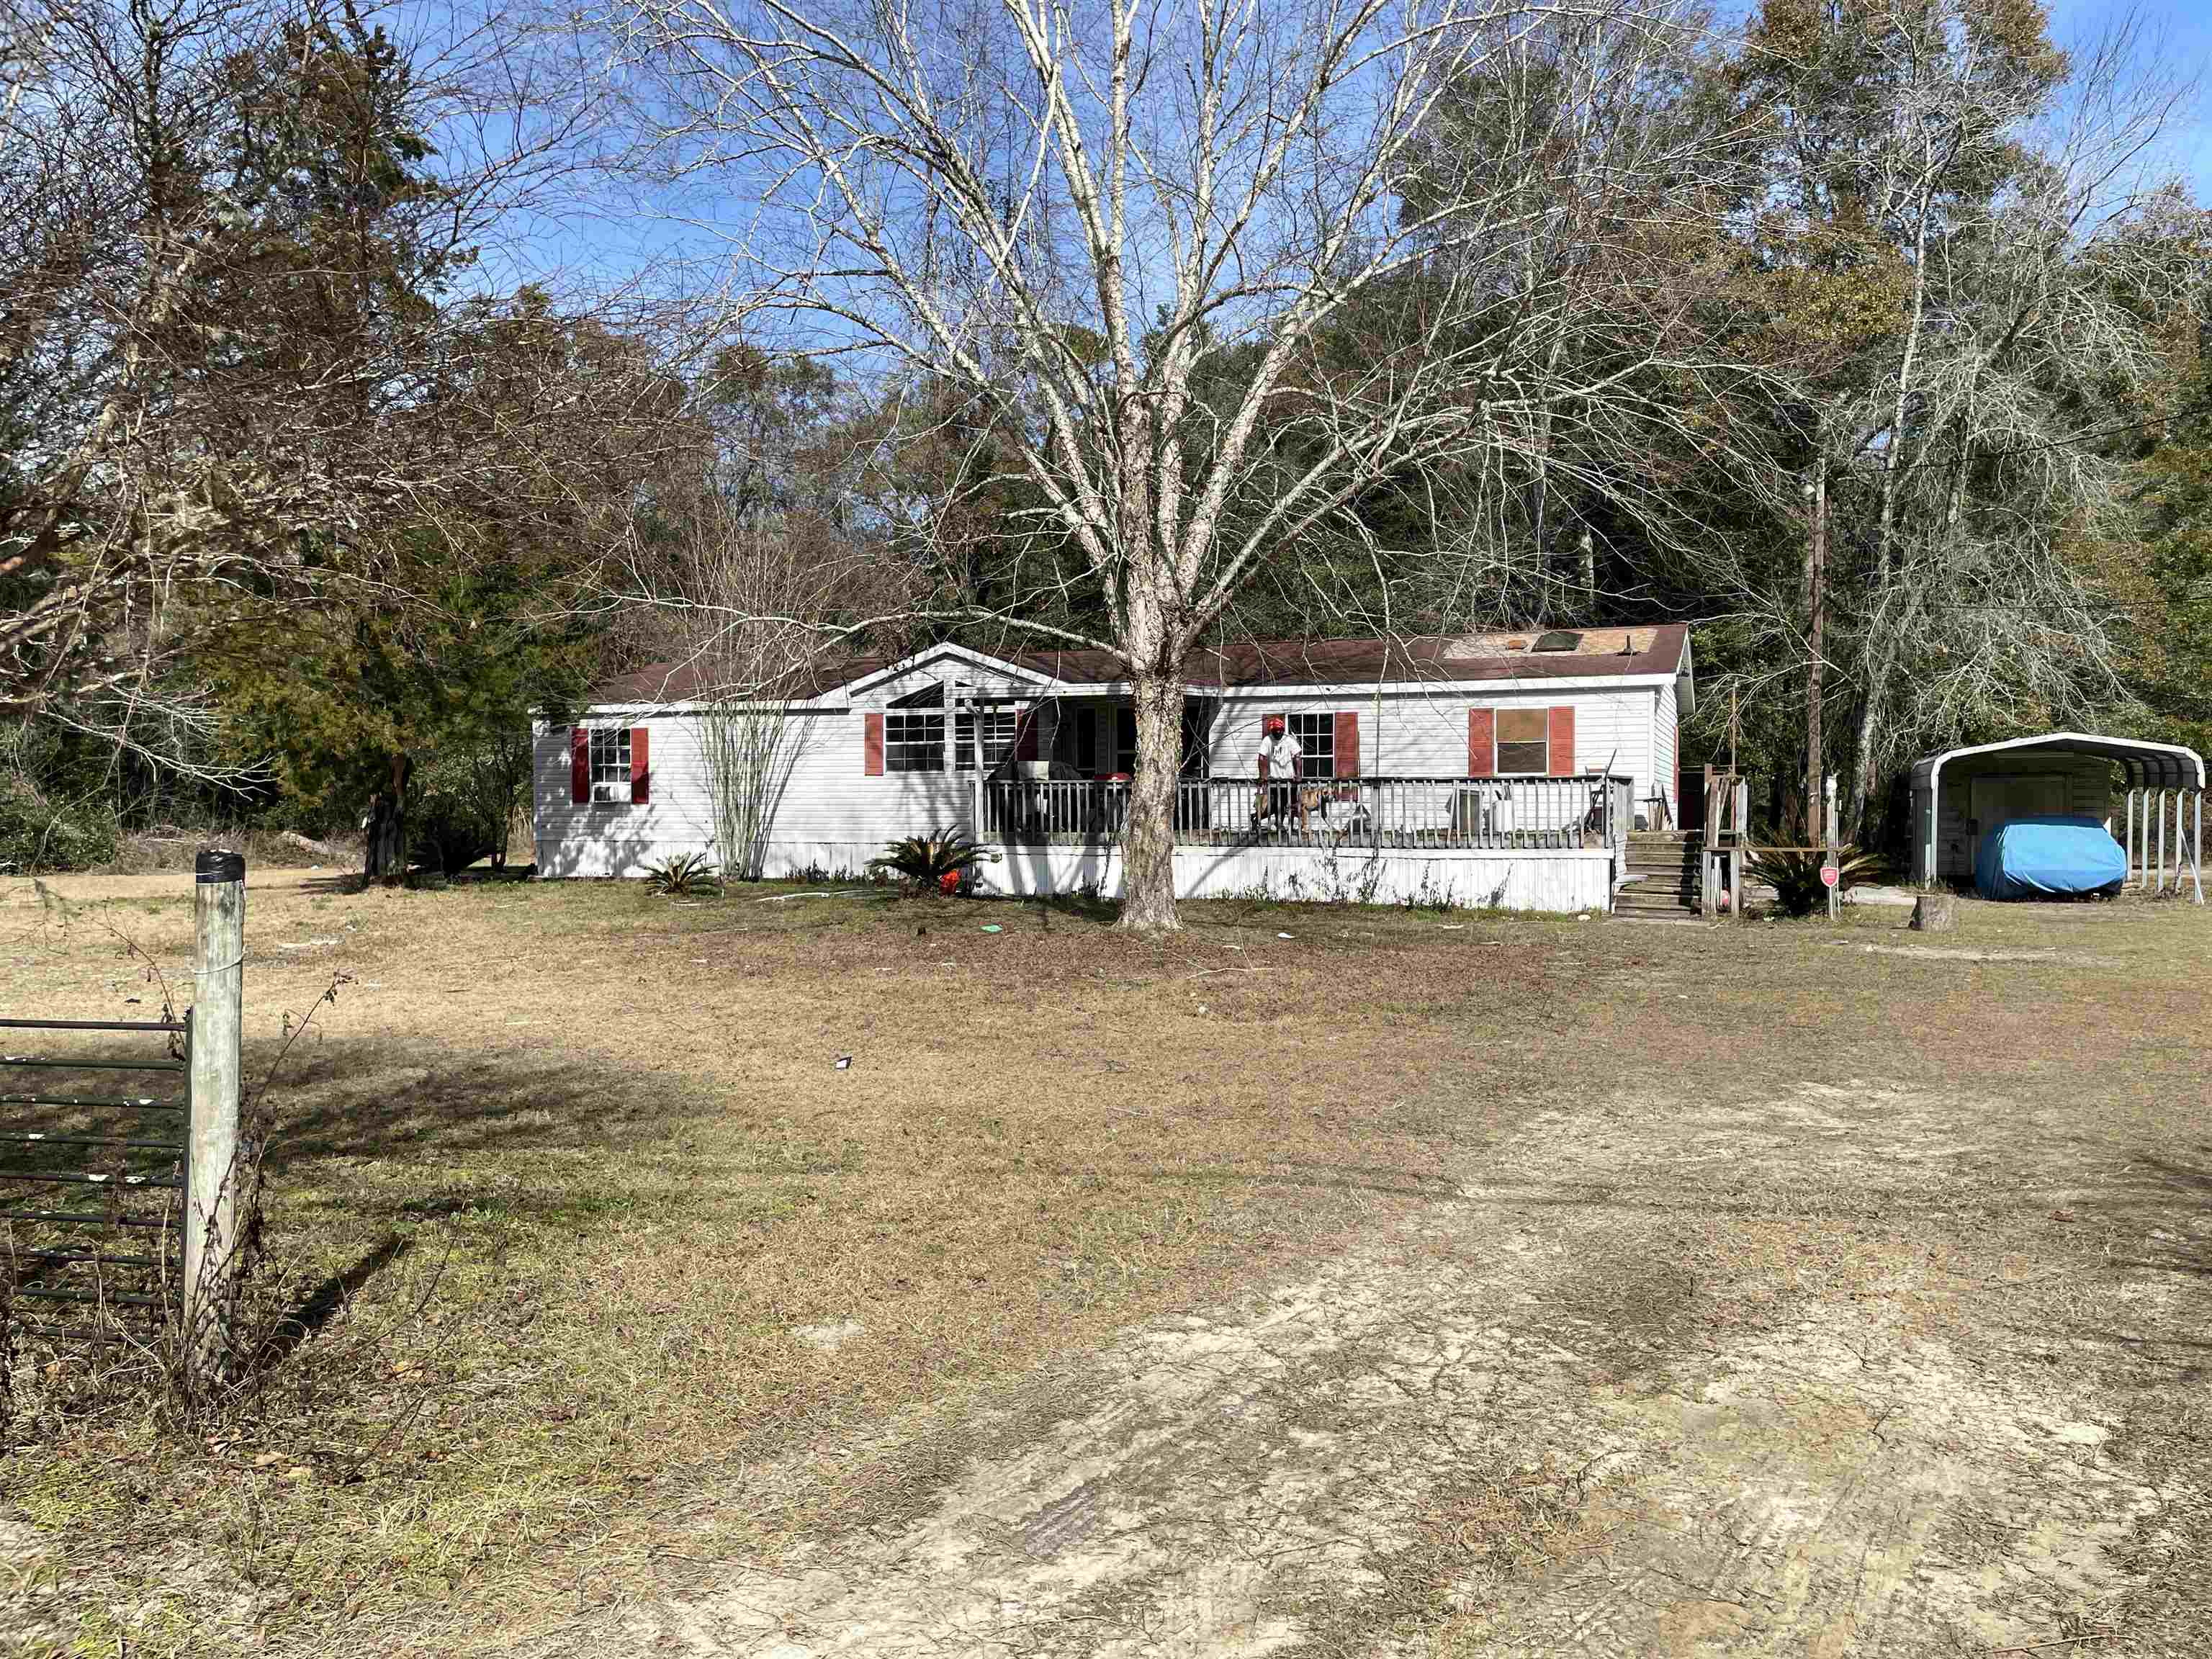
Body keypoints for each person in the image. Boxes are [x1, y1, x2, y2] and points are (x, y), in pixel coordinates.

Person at [1253, 716, 1304, 833]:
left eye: (1280, 730)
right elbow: (1262, 758)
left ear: (1283, 730)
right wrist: (1263, 776)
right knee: (1275, 802)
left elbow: (1297, 757)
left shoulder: (1289, 740)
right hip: (1274, 778)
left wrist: (1298, 774)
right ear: (1272, 730)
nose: (1278, 732)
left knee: (1289, 803)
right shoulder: (1267, 740)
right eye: (1275, 730)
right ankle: (1278, 823)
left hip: (1289, 778)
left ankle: (1290, 825)